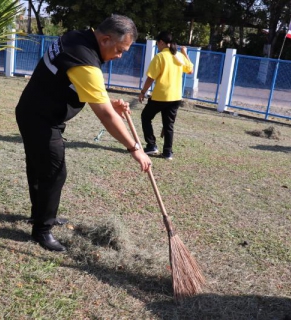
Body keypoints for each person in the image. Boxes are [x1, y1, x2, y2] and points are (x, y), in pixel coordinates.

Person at [15, 15, 152, 252]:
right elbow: (106, 117)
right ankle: (42, 230)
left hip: (32, 111)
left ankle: (41, 215)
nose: (120, 56)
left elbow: (74, 82)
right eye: (120, 50)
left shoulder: (76, 36)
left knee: (40, 168)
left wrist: (108, 102)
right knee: (54, 172)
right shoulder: (86, 62)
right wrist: (135, 148)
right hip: (41, 119)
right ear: (106, 39)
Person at [138, 31, 193, 160]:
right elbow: (190, 70)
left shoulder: (160, 56)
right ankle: (168, 152)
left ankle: (151, 145)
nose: (157, 46)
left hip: (161, 96)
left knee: (146, 117)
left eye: (158, 43)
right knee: (168, 125)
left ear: (162, 42)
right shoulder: (178, 56)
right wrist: (185, 53)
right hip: (175, 97)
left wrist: (142, 92)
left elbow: (151, 77)